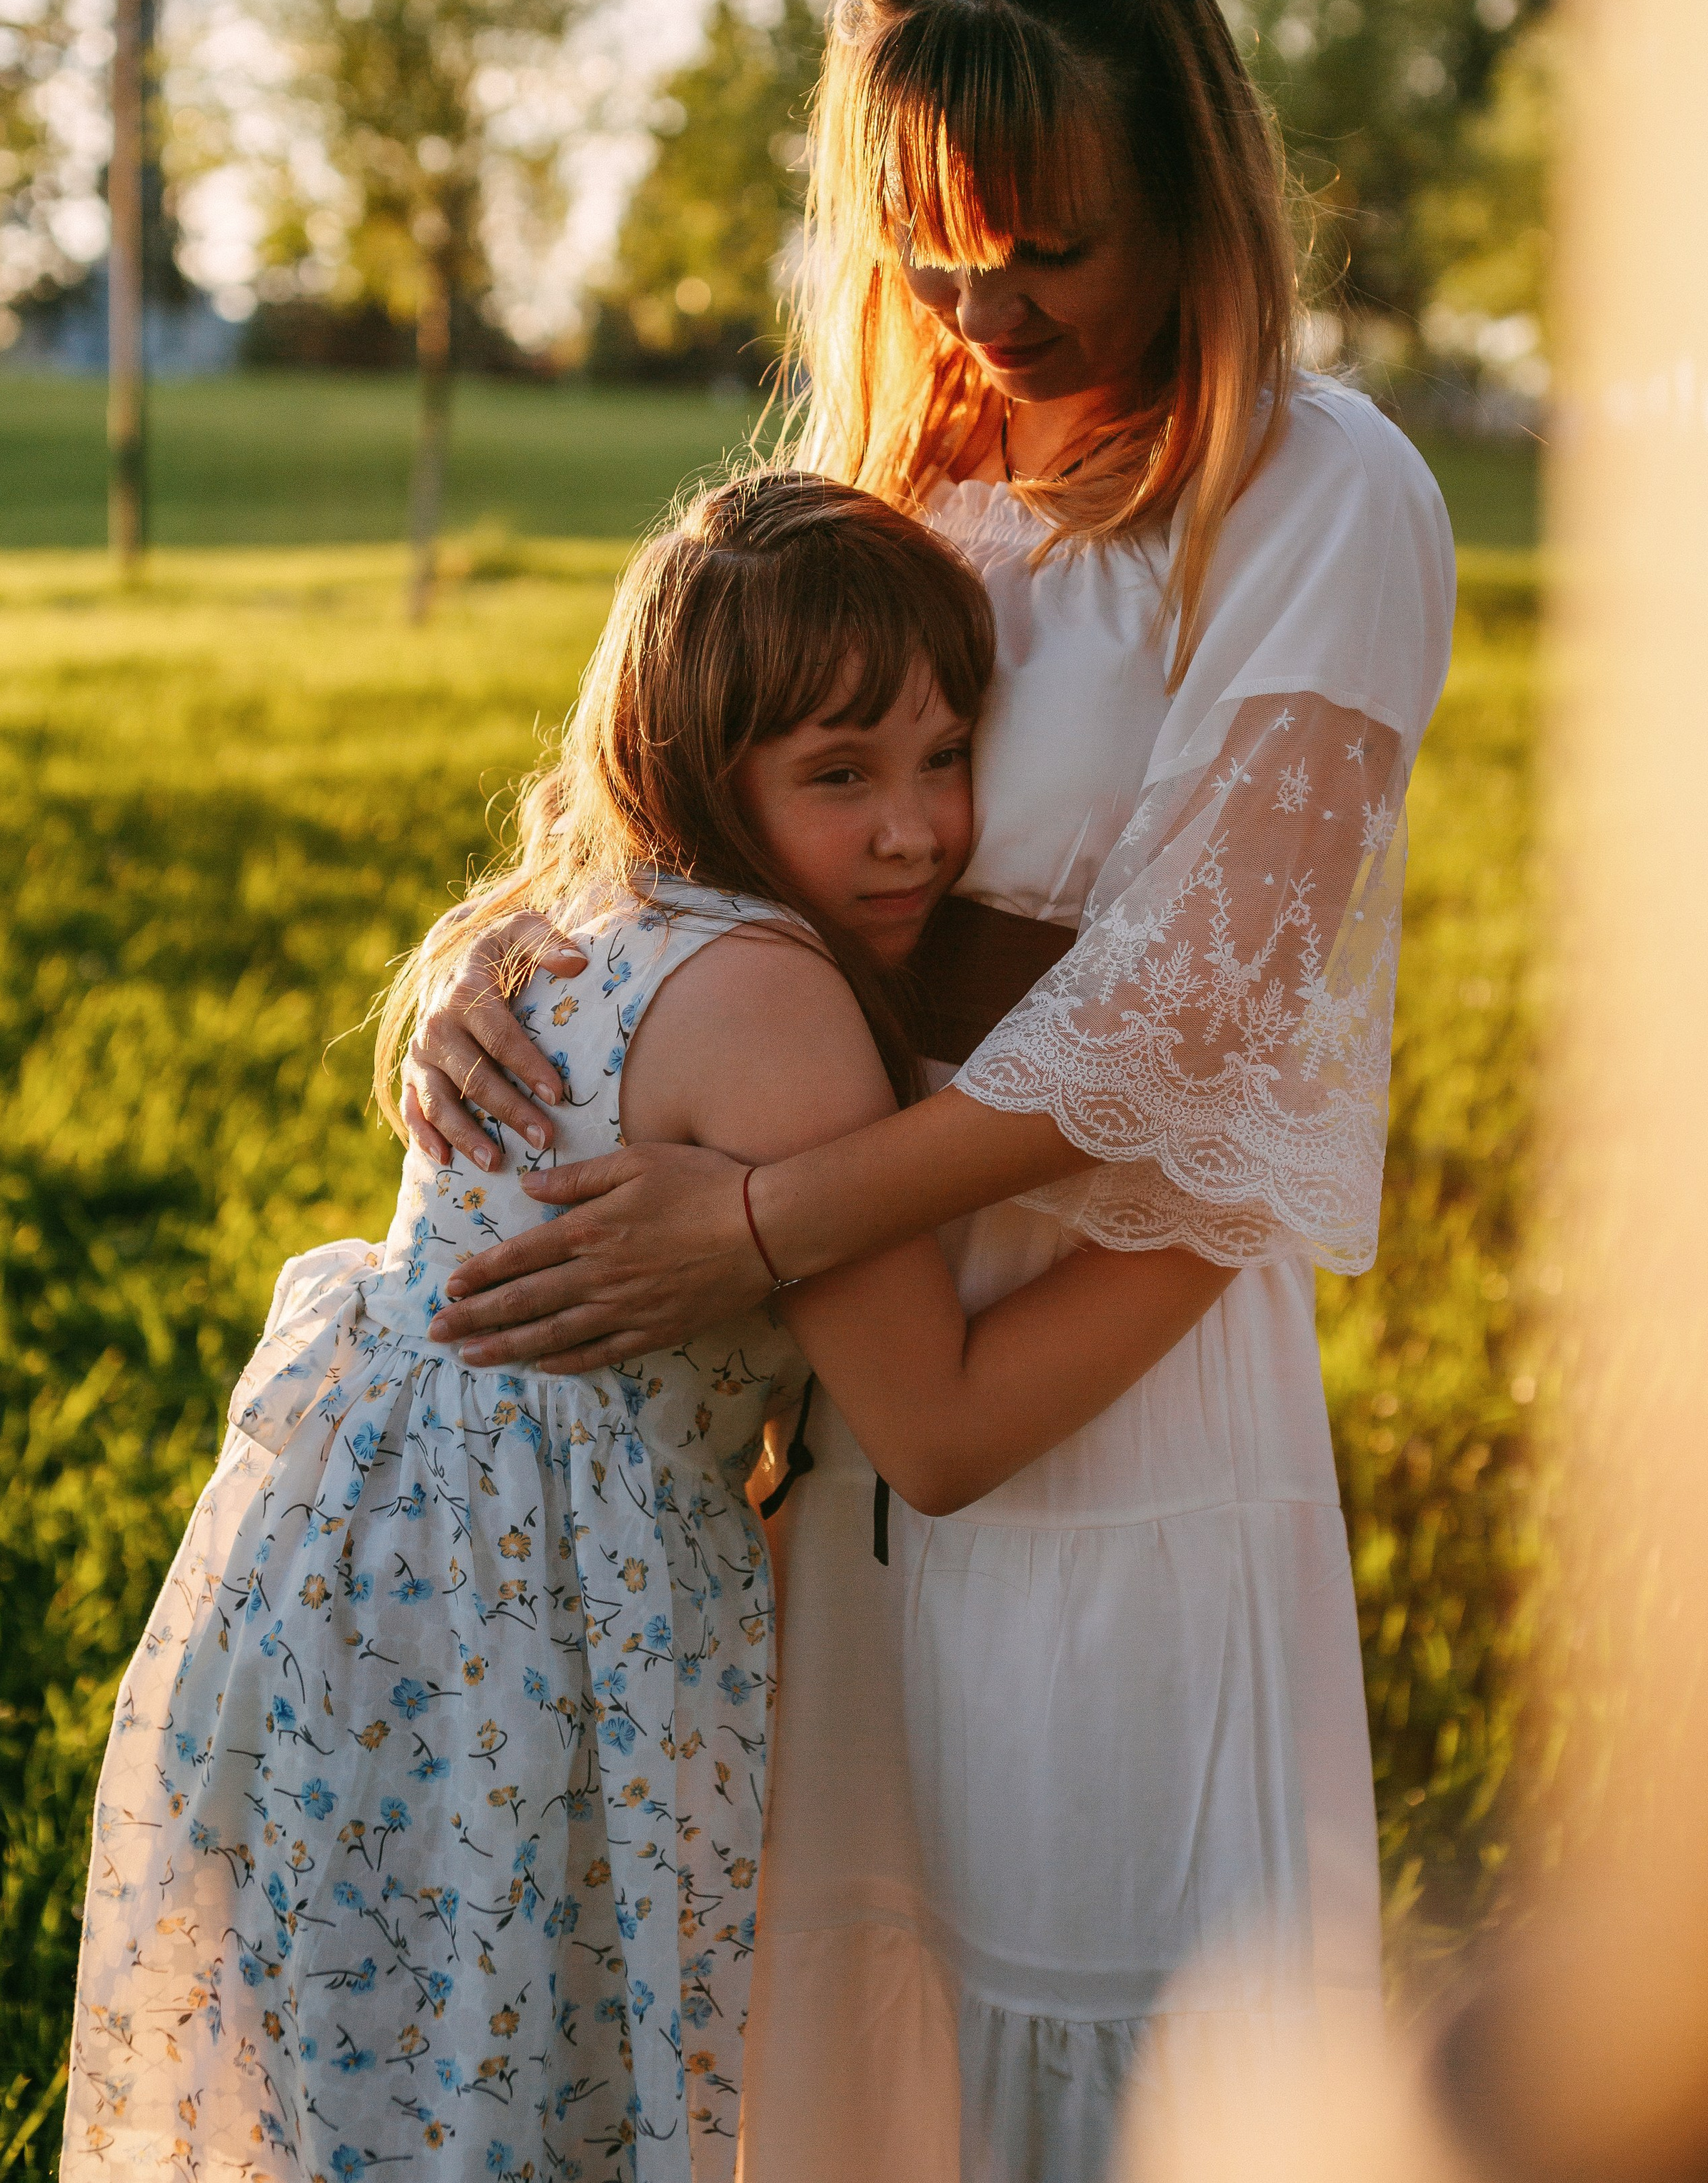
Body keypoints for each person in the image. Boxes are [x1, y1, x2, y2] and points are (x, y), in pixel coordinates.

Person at [406, 0, 1459, 2181]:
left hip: (1116, 1396)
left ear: (1193, 183)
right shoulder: (891, 487)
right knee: (844, 2048)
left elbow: (1180, 1016)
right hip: (828, 1445)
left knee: (1108, 2043)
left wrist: (759, 1215)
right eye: (936, 248)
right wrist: (494, 956)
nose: (989, 304)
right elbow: (685, 823)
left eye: (1049, 240)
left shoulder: (1311, 491)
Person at [61, 473, 1231, 2183]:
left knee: (393, 2075)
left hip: (347, 1583)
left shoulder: (569, 922)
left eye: (942, 754)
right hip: (523, 1622)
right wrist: (1225, 1222)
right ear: (699, 774)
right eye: (839, 774)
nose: (914, 829)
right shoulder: (771, 1004)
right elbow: (943, 1429)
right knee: (524, 2077)